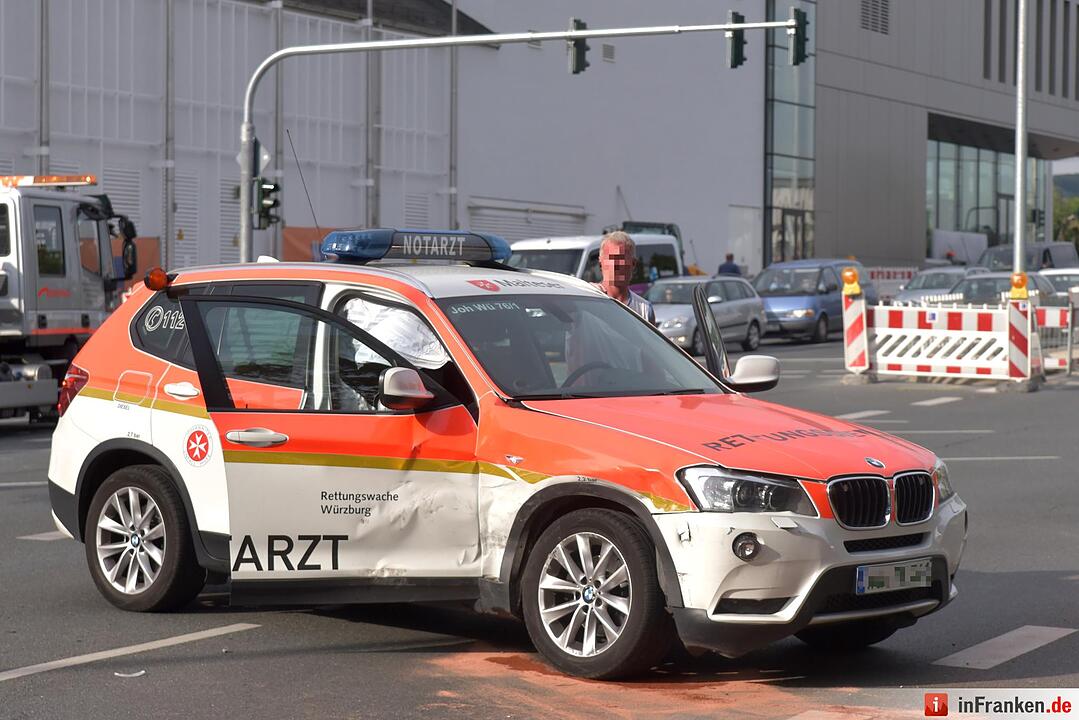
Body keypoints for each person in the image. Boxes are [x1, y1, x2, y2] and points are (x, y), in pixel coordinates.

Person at [594, 231, 656, 324]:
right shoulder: (587, 300)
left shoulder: (644, 310)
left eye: (621, 259)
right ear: (600, 264)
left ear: (633, 264)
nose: (615, 265)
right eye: (610, 259)